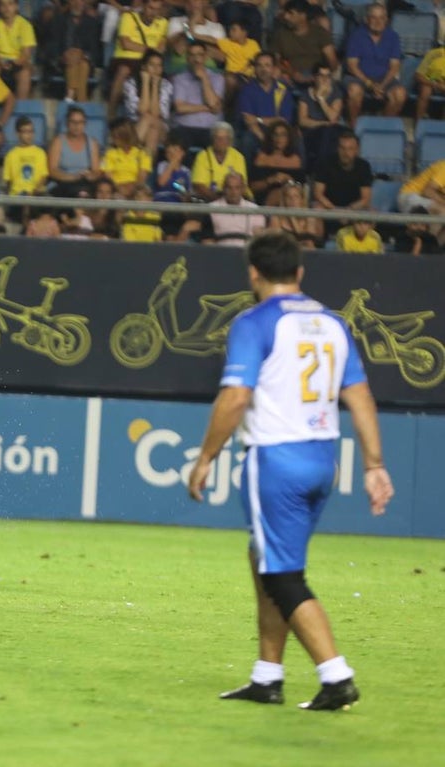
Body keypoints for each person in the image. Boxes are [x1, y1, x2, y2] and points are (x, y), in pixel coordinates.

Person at [188, 230, 393, 711]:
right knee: (264, 558)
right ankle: (268, 677)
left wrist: (205, 457)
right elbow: (360, 395)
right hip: (322, 458)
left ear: (253, 274)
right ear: (299, 272)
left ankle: (335, 675)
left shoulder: (254, 322)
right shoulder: (333, 323)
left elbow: (236, 397)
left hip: (276, 459)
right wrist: (374, 464)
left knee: (282, 576)